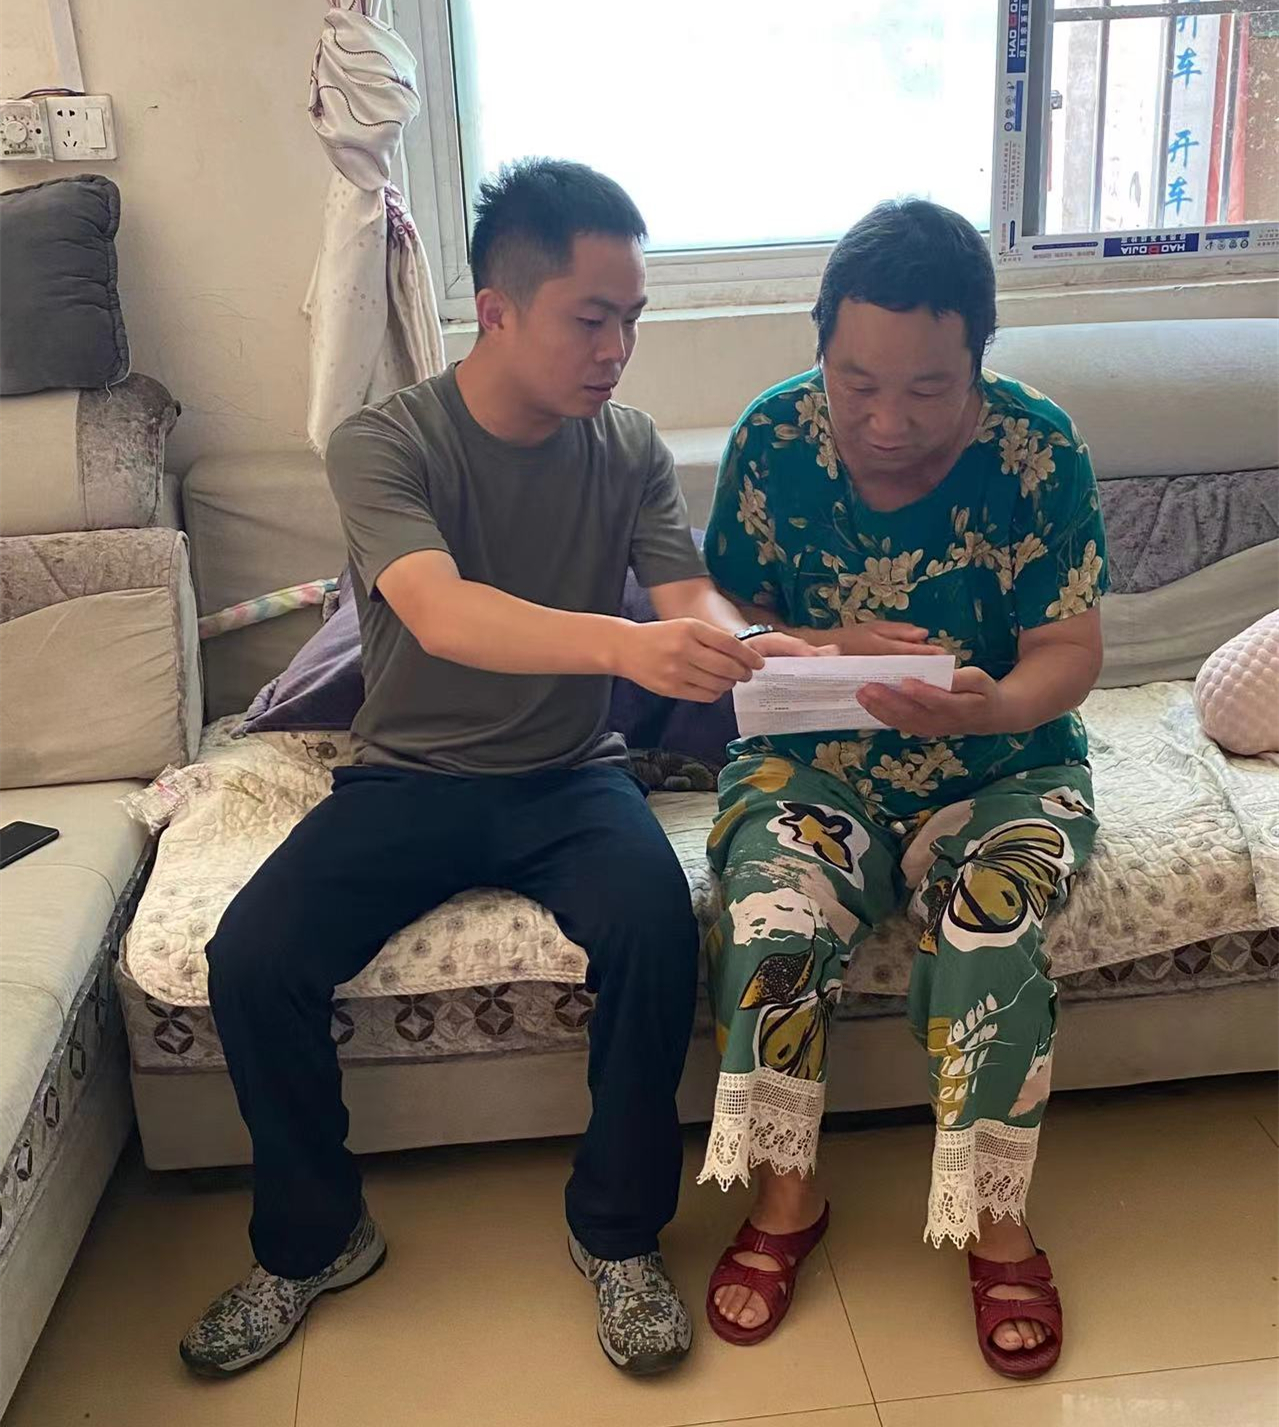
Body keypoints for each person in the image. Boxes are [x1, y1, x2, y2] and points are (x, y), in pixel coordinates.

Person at [179, 158, 818, 1379]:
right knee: (252, 955)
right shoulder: (383, 443)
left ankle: (616, 1232)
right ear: (498, 308)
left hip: (571, 774)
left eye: (632, 319)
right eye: (592, 318)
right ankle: (315, 1239)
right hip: (409, 775)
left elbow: (685, 590)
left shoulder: (625, 445)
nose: (617, 350)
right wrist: (626, 643)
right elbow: (442, 611)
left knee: (658, 925)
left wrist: (756, 646)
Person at [698, 199, 1108, 1379]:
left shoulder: (1037, 449)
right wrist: (818, 644)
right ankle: (787, 1193)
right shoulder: (773, 436)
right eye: (855, 382)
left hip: (1004, 768)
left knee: (989, 923)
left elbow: (1070, 648)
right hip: (813, 764)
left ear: (979, 357)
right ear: (819, 344)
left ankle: (993, 1216)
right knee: (770, 914)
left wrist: (996, 705)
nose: (885, 420)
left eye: (928, 388)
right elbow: (723, 612)